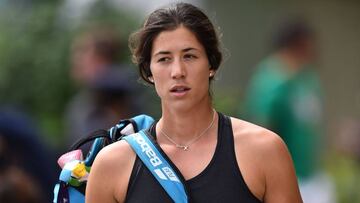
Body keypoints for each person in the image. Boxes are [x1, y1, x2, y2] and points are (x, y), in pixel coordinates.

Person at [86, 3, 302, 203]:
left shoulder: (263, 151)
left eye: (189, 56)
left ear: (211, 64)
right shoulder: (113, 165)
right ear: (148, 71)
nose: (178, 72)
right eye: (164, 59)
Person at [243, 20, 334, 202]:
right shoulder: (271, 80)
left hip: (311, 175)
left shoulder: (308, 78)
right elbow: (260, 129)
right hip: (285, 178)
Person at [64, 27, 141, 147]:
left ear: (101, 59)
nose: (76, 59)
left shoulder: (116, 92)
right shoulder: (86, 98)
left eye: (82, 52)